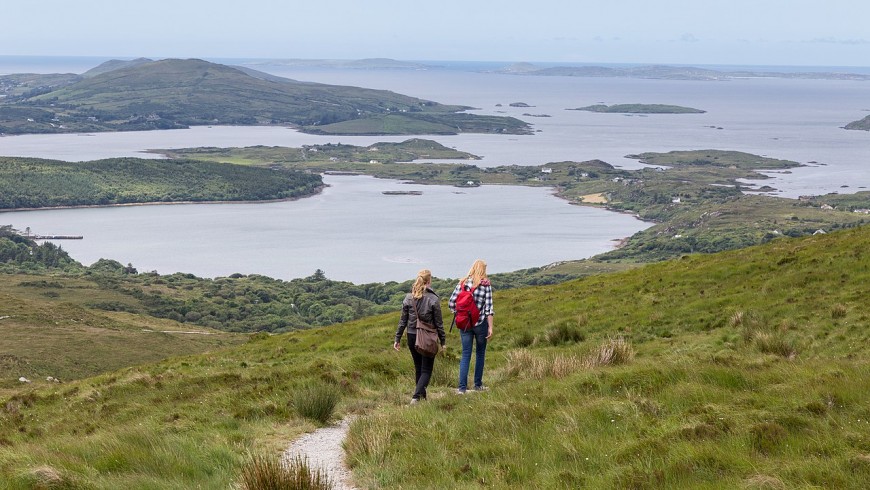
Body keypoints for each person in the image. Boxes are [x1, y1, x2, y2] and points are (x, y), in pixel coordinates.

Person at [394, 269, 445, 403]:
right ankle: (416, 397)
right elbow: (439, 323)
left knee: (418, 368)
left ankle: (422, 398)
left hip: (411, 336)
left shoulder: (408, 298)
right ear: (429, 281)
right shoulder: (433, 299)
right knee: (426, 369)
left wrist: (397, 338)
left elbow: (402, 321)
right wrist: (443, 341)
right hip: (427, 337)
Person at [449, 259, 494, 394]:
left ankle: (462, 388)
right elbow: (489, 309)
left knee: (465, 354)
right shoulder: (486, 285)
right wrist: (490, 327)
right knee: (480, 353)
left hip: (465, 324)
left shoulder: (462, 283)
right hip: (480, 324)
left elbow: (451, 303)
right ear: (483, 270)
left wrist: (461, 314)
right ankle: (477, 385)